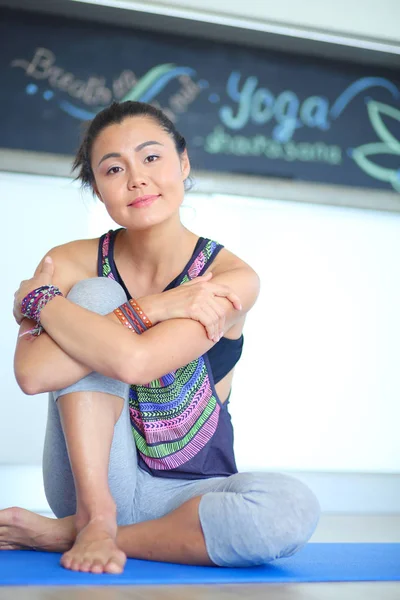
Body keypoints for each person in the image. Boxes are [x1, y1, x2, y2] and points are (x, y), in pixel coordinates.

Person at [1, 101, 320, 574]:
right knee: (94, 294)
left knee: (291, 508)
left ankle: (64, 533)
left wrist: (40, 301)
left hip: (187, 494)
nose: (136, 179)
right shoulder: (69, 262)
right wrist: (153, 306)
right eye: (113, 169)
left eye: (152, 158)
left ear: (183, 163)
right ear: (97, 189)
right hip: (90, 482)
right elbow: (32, 373)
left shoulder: (229, 277)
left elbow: (137, 363)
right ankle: (95, 516)